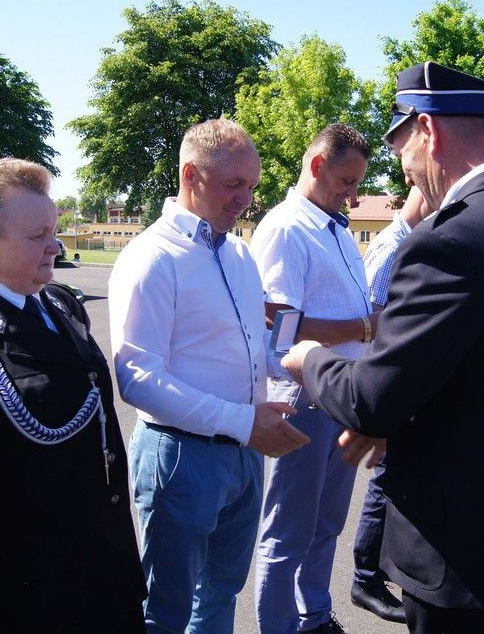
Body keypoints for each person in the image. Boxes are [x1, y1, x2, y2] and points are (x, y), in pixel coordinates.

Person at [282, 61, 484, 634]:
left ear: (428, 129)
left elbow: (370, 400)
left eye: (402, 147)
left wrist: (308, 358)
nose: (406, 169)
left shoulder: (451, 240)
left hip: (465, 552)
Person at [0, 158, 146, 632]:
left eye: (55, 230)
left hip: (98, 567)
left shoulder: (61, 305)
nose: (55, 246)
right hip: (23, 588)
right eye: (37, 235)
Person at [108, 119, 309, 634]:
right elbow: (136, 377)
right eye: (233, 185)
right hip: (182, 457)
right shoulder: (152, 258)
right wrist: (244, 422)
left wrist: (301, 361)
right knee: (168, 609)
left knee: (221, 593)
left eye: (253, 186)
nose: (247, 199)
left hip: (243, 454)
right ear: (190, 174)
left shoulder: (238, 253)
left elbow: (254, 347)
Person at [252, 123, 385, 634]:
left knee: (326, 524)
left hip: (340, 396)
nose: (353, 194)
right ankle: (279, 626)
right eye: (347, 181)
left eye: (357, 183)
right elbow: (278, 322)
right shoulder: (287, 227)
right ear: (316, 165)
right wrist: (363, 326)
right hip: (302, 399)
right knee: (288, 530)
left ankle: (313, 615)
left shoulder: (333, 227)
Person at [349, 187, 430, 625]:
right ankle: (365, 577)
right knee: (385, 480)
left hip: (397, 379)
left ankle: (380, 571)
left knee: (392, 475)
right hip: (385, 379)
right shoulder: (394, 245)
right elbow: (374, 315)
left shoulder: (411, 242)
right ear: (420, 199)